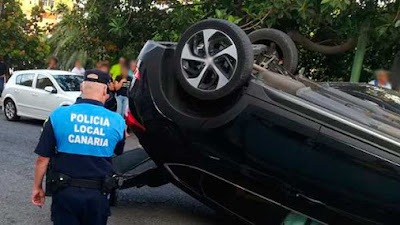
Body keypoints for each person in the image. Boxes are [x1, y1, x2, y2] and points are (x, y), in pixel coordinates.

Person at [31, 69, 125, 225]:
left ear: (82, 88)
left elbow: (42, 158)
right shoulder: (117, 121)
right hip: (97, 195)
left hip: (65, 193)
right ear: (104, 91)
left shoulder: (57, 115)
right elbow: (117, 151)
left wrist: (37, 187)